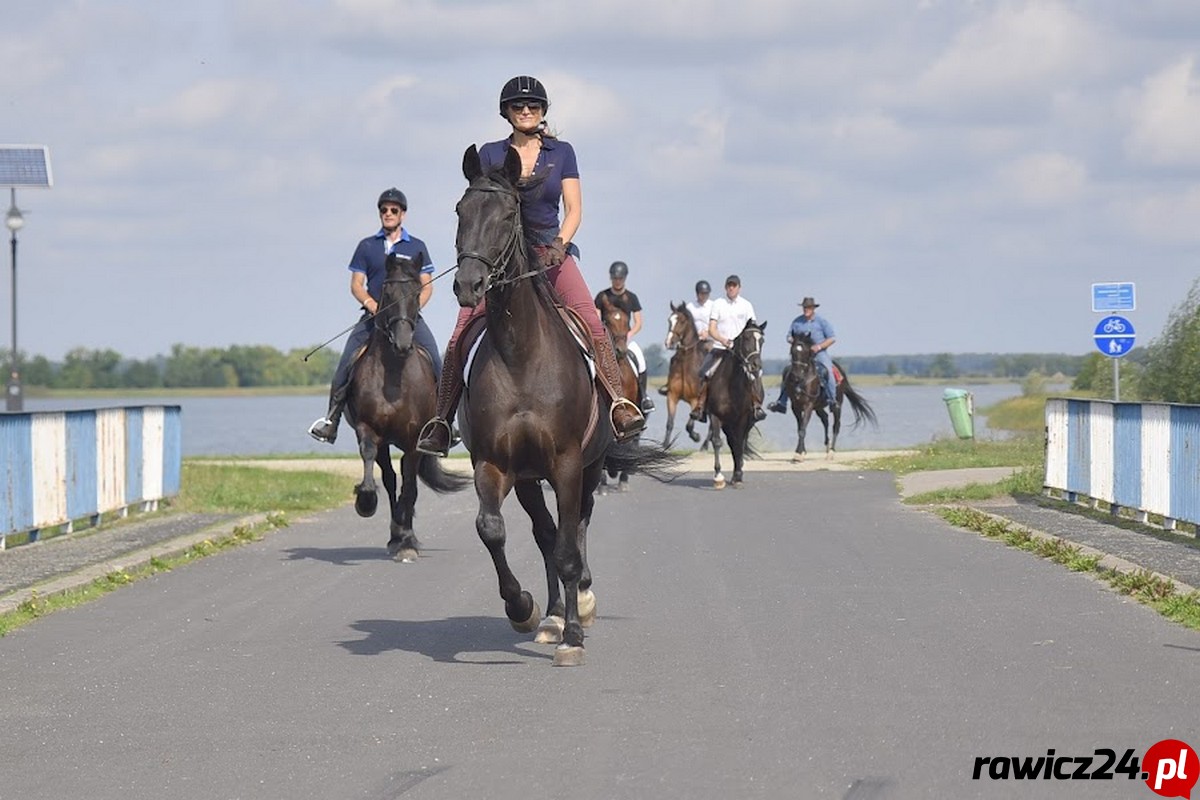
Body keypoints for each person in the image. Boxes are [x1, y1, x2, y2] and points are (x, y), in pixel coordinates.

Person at [416, 76, 645, 456]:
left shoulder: (562, 153)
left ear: (542, 112)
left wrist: (560, 245)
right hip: (502, 260)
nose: (526, 111)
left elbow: (574, 209)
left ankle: (619, 405)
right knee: (459, 336)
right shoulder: (490, 154)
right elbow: (481, 210)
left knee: (591, 321)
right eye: (518, 106)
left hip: (550, 252)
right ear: (506, 112)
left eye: (533, 106)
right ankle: (441, 422)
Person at [307, 188, 441, 444]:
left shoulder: (417, 246)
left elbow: (427, 284)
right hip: (374, 318)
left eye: (393, 210)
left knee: (437, 363)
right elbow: (356, 284)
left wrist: (413, 311)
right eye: (384, 210)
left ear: (403, 214)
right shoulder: (367, 246)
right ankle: (331, 421)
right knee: (345, 366)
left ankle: (444, 425)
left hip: (408, 319)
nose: (388, 214)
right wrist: (372, 304)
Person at [689, 274, 767, 423]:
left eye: (734, 286)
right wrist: (722, 339)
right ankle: (700, 407)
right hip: (721, 348)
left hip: (741, 352)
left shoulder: (746, 305)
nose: (731, 288)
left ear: (739, 288)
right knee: (705, 372)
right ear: (725, 288)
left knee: (753, 374)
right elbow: (711, 329)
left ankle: (756, 405)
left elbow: (752, 328)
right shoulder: (718, 304)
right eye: (729, 286)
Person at [596, 260, 655, 413]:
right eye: (615, 279)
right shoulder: (602, 297)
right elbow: (596, 319)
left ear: (624, 278)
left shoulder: (631, 298)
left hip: (626, 338)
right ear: (611, 278)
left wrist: (630, 334)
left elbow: (638, 322)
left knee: (640, 360)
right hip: (607, 339)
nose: (617, 281)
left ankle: (644, 396)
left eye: (620, 279)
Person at [769, 296, 837, 413]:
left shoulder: (821, 322)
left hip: (818, 354)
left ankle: (832, 400)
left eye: (809, 308)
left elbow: (832, 338)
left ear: (813, 308)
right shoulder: (797, 322)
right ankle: (782, 402)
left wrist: (819, 346)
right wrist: (791, 339)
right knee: (788, 373)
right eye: (805, 307)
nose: (806, 310)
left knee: (828, 372)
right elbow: (789, 335)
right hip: (801, 357)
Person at [660, 279, 714, 396]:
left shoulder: (713, 306)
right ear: (697, 294)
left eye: (706, 294)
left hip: (708, 339)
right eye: (701, 293)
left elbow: (717, 324)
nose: (703, 296)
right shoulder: (690, 307)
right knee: (675, 358)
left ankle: (711, 383)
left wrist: (707, 333)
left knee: (711, 356)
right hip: (692, 340)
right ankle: (669, 383)